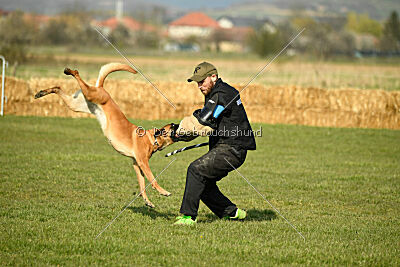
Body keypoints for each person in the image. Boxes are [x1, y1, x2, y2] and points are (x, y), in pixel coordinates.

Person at [174, 62, 256, 225]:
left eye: (201, 81)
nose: (199, 86)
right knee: (202, 183)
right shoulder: (218, 93)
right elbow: (211, 123)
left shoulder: (222, 93)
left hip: (232, 149)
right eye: (197, 82)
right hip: (226, 146)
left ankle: (188, 217)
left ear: (213, 77)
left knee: (196, 170)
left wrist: (179, 132)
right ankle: (231, 212)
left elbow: (205, 120)